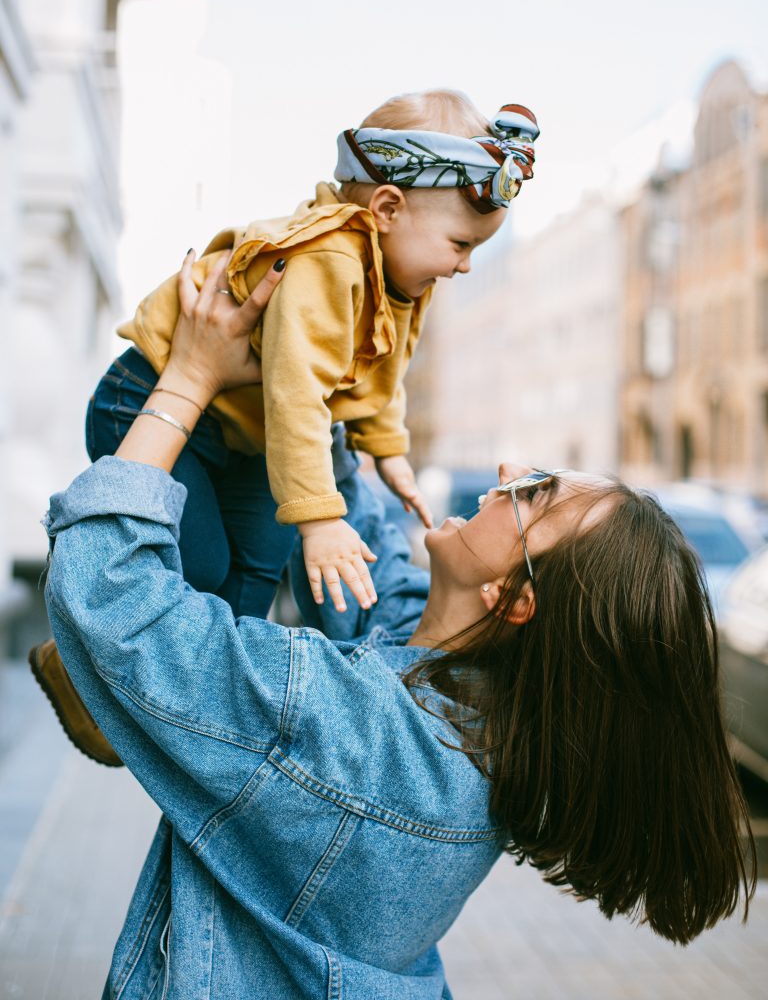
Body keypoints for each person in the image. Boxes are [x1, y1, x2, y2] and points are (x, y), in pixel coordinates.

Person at [41, 255, 755, 998]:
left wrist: (189, 377)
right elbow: (370, 556)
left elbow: (110, 593)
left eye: (534, 493)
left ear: (515, 598)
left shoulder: (357, 731)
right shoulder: (472, 701)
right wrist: (312, 352)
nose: (507, 471)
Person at [30, 88, 539, 766]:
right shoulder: (328, 259)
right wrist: (321, 519)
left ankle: (188, 724)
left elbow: (379, 370)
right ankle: (80, 662)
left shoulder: (399, 278)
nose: (465, 264)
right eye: (461, 244)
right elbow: (299, 392)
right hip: (152, 397)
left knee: (253, 581)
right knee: (203, 565)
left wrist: (388, 450)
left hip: (247, 438)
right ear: (387, 209)